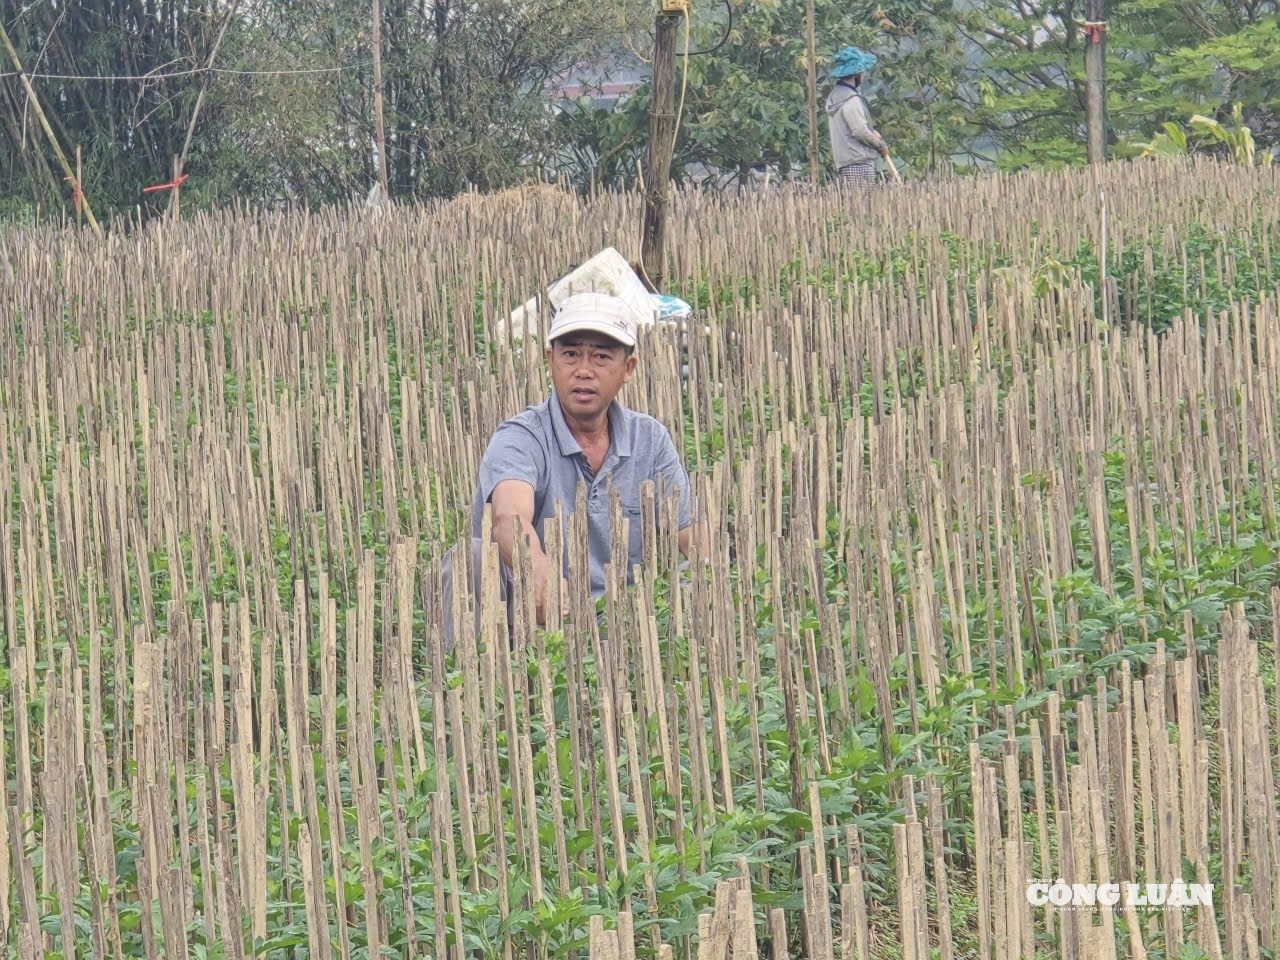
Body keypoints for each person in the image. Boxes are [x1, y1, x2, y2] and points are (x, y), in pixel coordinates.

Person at [441, 291, 703, 643]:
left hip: (624, 625)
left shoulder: (650, 440)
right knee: (468, 561)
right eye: (571, 354)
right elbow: (507, 518)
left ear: (628, 369)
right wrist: (535, 569)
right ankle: (474, 688)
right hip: (537, 628)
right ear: (551, 360)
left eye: (600, 357)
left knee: (696, 579)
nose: (583, 370)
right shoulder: (521, 438)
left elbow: (690, 538)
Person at [825, 45, 891, 190]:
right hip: (858, 162)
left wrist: (873, 134)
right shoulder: (850, 99)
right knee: (862, 207)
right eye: (862, 72)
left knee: (852, 207)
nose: (863, 75)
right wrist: (879, 145)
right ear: (856, 74)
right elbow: (860, 131)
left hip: (845, 163)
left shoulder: (835, 96)